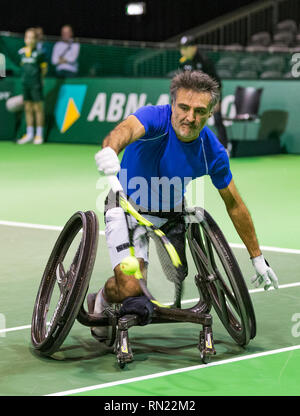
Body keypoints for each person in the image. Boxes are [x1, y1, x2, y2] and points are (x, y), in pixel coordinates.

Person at [90, 70, 279, 341]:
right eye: (184, 107)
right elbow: (125, 130)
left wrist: (257, 257)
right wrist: (110, 149)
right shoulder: (154, 118)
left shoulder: (212, 151)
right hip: (127, 209)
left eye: (200, 111)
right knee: (132, 287)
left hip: (172, 215)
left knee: (176, 284)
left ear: (211, 113)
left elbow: (234, 204)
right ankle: (102, 299)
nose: (190, 117)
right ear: (172, 104)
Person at [178, 35, 230, 154]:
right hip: (192, 99)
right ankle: (190, 148)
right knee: (189, 121)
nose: (183, 51)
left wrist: (216, 100)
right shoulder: (183, 62)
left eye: (186, 48)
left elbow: (217, 82)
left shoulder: (205, 61)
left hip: (208, 97)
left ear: (194, 48)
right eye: (182, 48)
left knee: (217, 119)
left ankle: (224, 148)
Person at [17, 28, 47, 144]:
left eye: (31, 37)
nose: (28, 40)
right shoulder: (21, 52)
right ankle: (29, 134)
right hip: (25, 84)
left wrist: (40, 80)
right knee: (28, 108)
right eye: (27, 37)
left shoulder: (40, 54)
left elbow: (44, 69)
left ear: (35, 40)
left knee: (38, 109)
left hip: (36, 84)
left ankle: (39, 135)